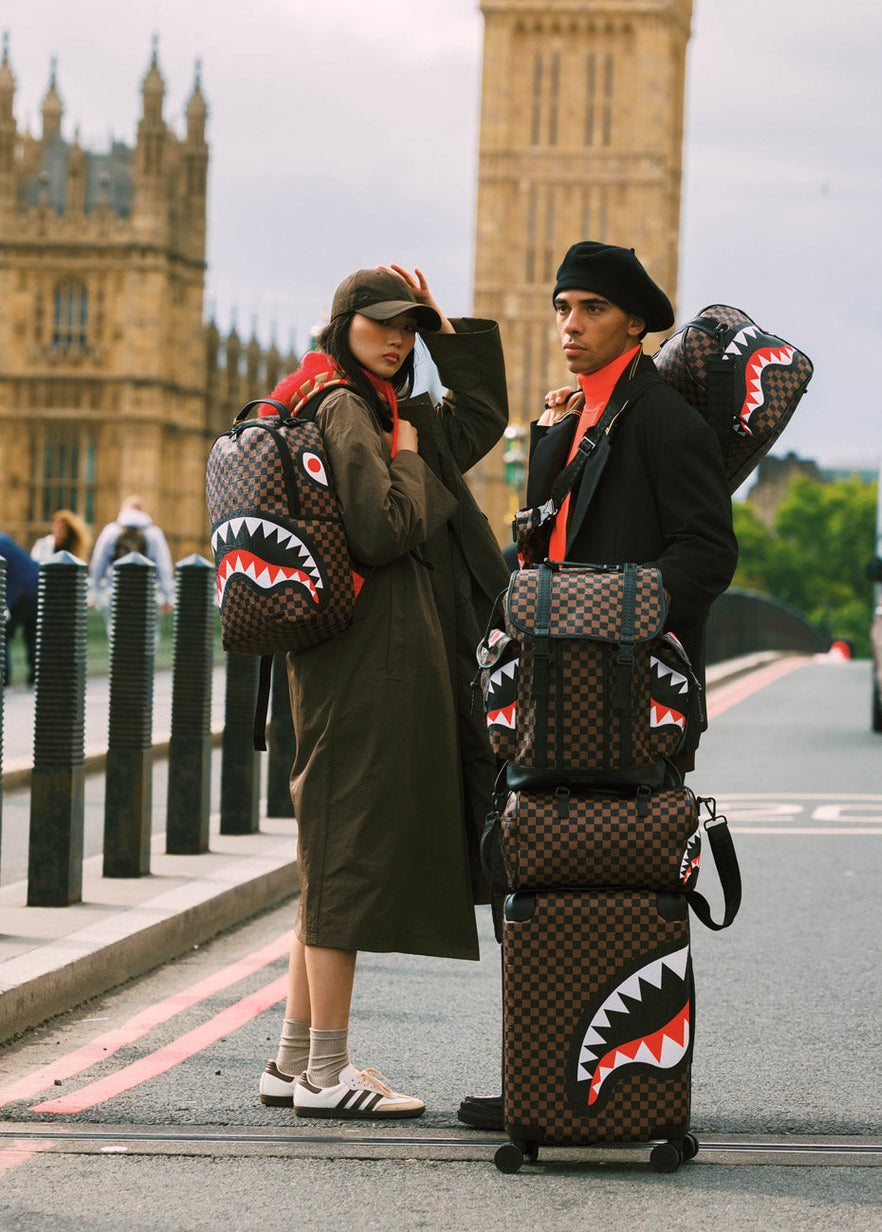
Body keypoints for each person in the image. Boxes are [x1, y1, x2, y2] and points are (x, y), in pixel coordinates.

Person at [457, 240, 739, 1130]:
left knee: (622, 881)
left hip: (632, 699)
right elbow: (544, 544)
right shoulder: (575, 418)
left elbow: (708, 554)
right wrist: (548, 441)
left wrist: (613, 612)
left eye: (590, 310)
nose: (569, 326)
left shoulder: (665, 423)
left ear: (634, 323)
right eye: (562, 309)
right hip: (549, 694)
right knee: (529, 872)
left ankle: (625, 1085)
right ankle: (538, 1079)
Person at [257, 264, 509, 1120]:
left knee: (331, 850)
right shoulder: (347, 408)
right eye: (385, 323)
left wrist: (448, 333)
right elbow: (383, 526)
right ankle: (328, 1076)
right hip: (364, 659)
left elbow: (480, 418)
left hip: (357, 653)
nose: (399, 339)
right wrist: (404, 458)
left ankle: (292, 1059)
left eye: (411, 327)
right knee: (347, 855)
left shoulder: (376, 403)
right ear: (345, 324)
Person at [88, 496, 175, 647]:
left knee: (118, 637)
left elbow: (98, 563)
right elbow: (164, 566)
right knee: (146, 639)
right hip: (145, 594)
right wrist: (168, 597)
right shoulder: (153, 533)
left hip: (116, 593)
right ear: (143, 510)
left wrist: (94, 593)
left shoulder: (111, 530)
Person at [0, 534, 40, 686]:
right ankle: (37, 677)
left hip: (22, 590)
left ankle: (3, 678)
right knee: (33, 635)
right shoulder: (4, 540)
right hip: (37, 586)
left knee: (2, 633)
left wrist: (6, 605)